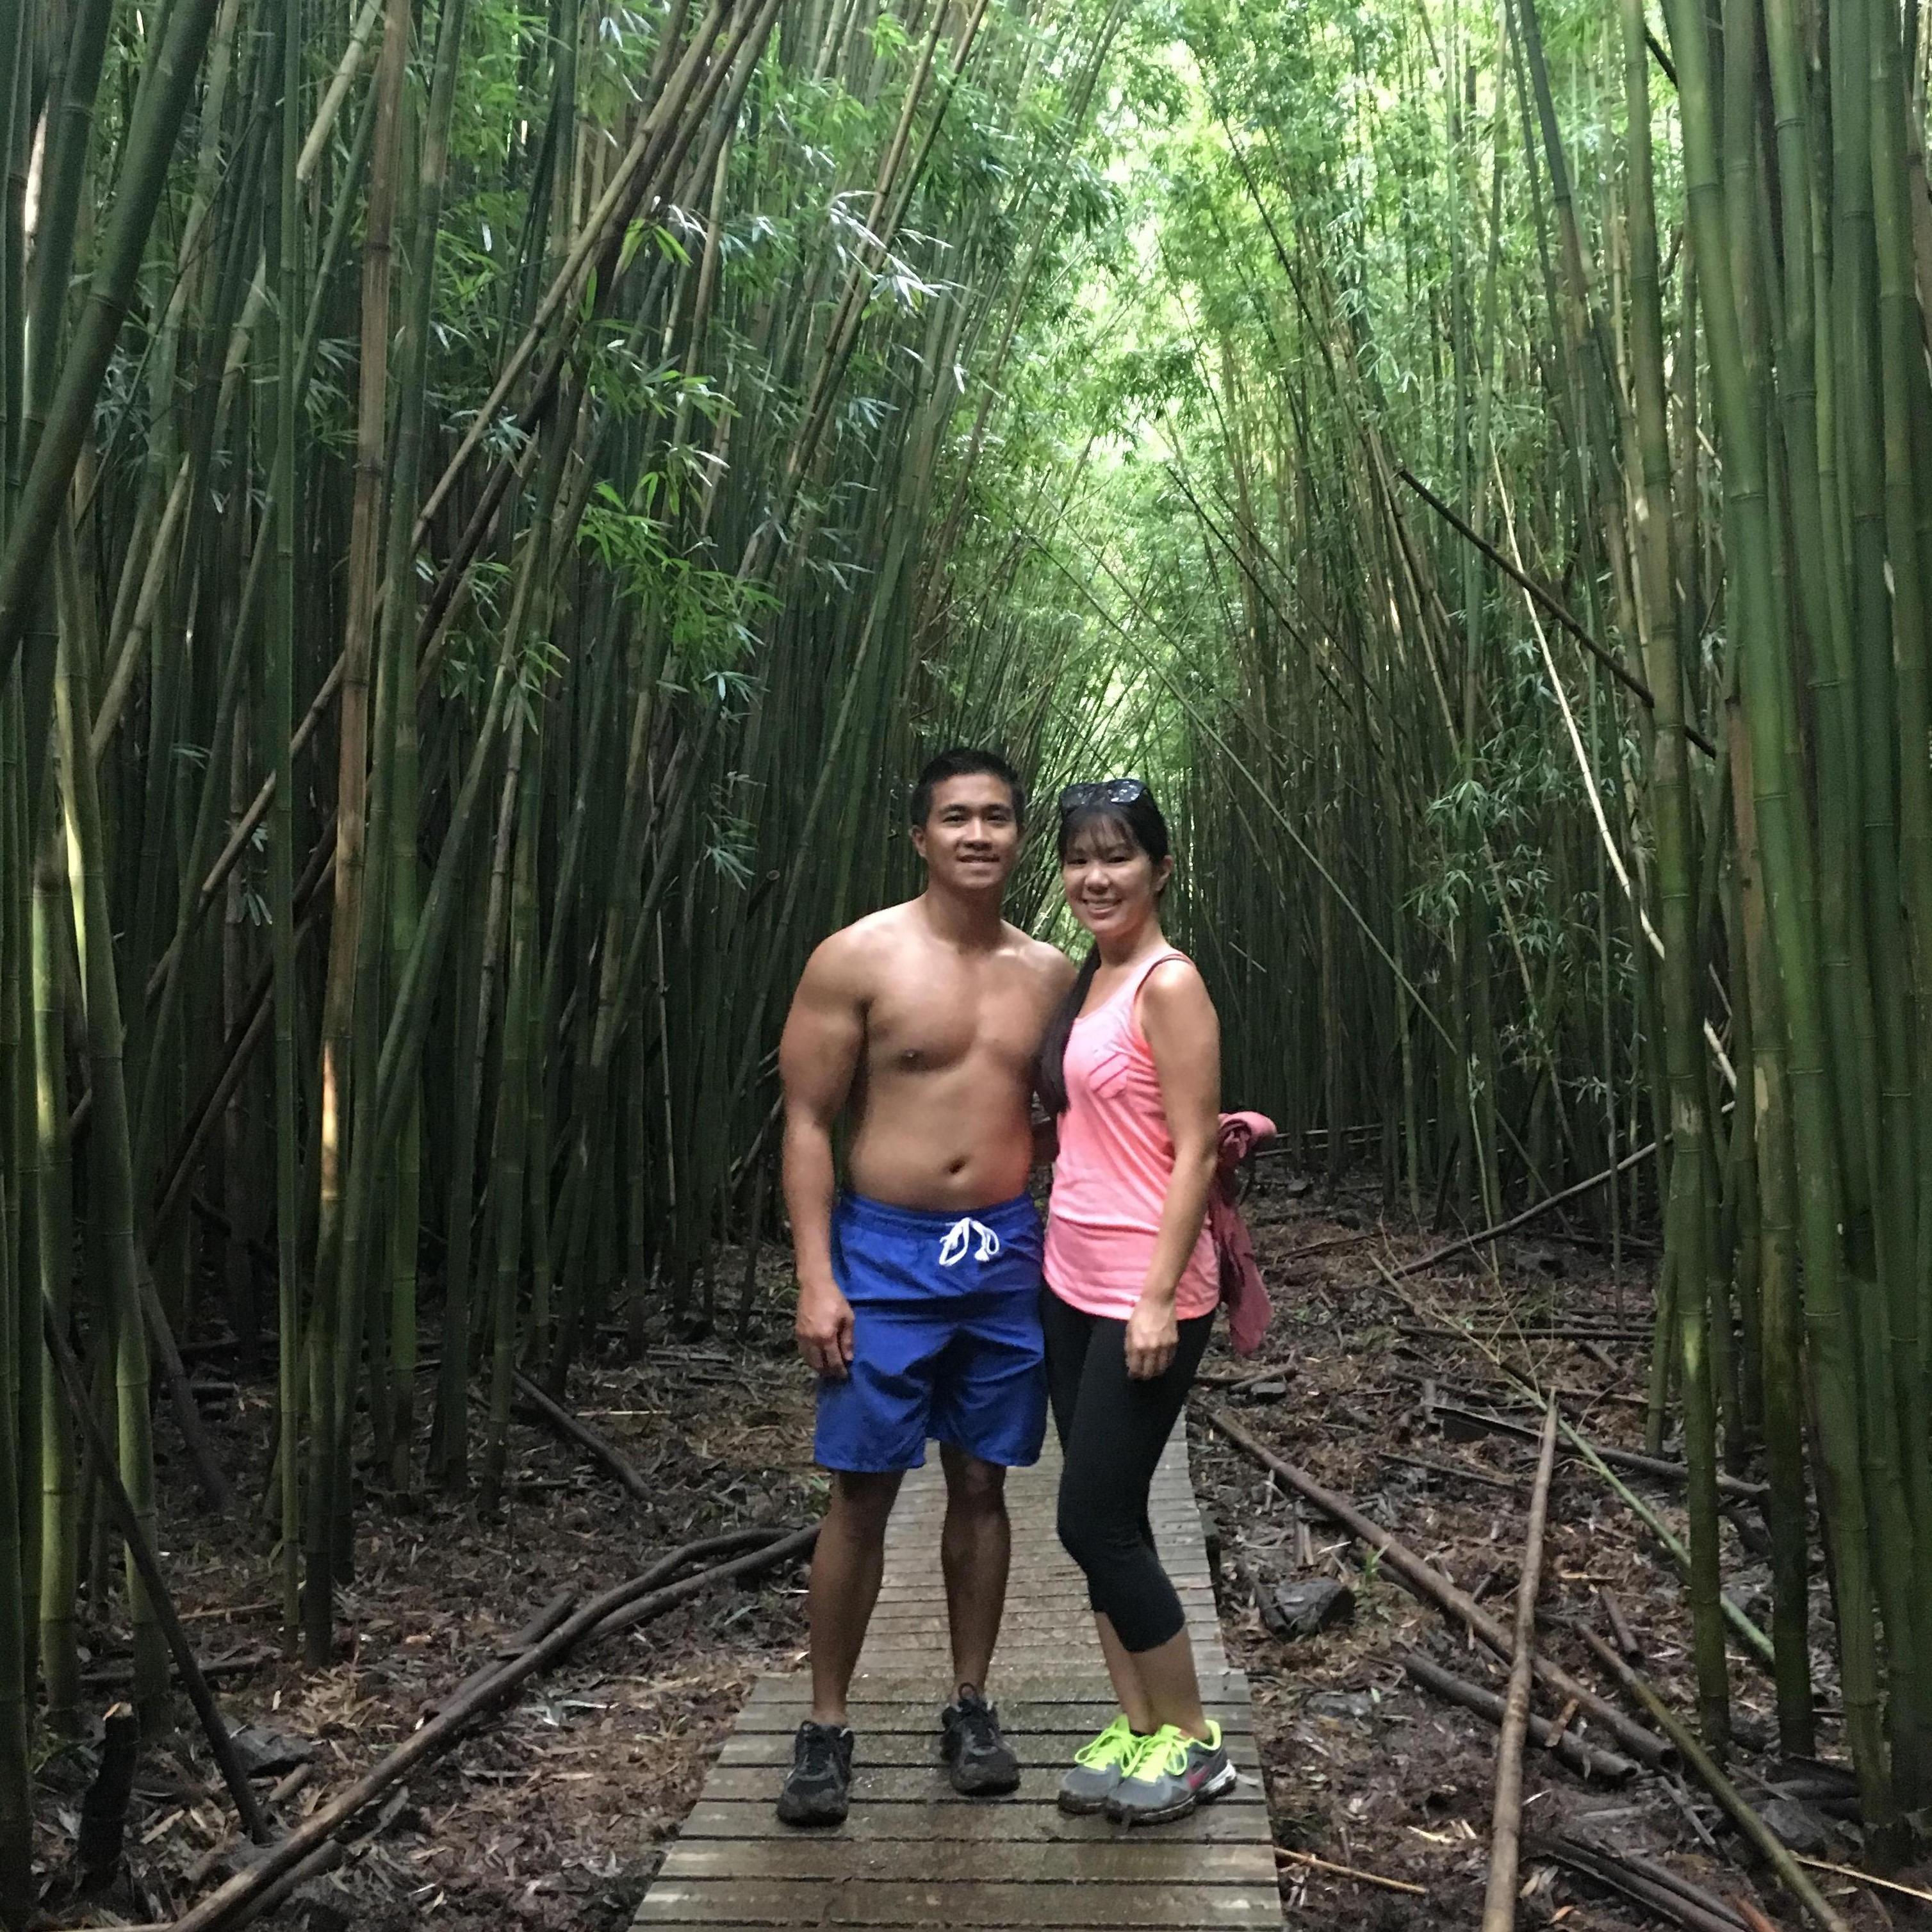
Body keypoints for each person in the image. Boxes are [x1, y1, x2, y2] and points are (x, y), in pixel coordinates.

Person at [774, 748, 1077, 1828]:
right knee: (861, 1489)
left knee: (985, 1486)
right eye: (957, 817)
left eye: (998, 816)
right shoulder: (856, 958)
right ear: (920, 835)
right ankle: (824, 1723)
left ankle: (972, 1701)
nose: (979, 835)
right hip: (886, 1254)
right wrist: (818, 1277)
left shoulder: (1052, 972)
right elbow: (807, 1121)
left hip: (1000, 1256)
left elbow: (1082, 1112)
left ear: (1019, 833)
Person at [1034, 777, 1236, 1826]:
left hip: (1146, 1291)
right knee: (1095, 1525)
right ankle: (1142, 1728)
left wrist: (1159, 1297)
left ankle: (1198, 1744)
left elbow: (1195, 1147)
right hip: (1069, 1281)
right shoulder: (1090, 978)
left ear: (1160, 869)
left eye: (1117, 856)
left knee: (1097, 1517)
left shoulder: (1168, 982)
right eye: (1079, 857)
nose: (1095, 876)